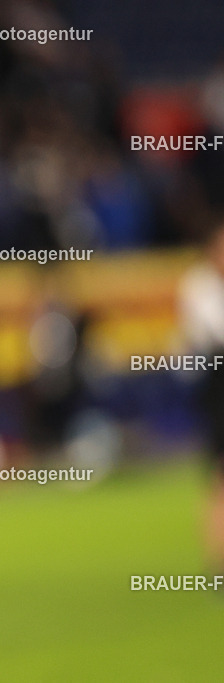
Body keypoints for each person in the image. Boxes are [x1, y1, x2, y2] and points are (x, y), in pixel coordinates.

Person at [179, 218, 224, 573]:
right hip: (217, 385)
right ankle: (216, 563)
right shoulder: (200, 286)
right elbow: (208, 336)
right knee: (218, 479)